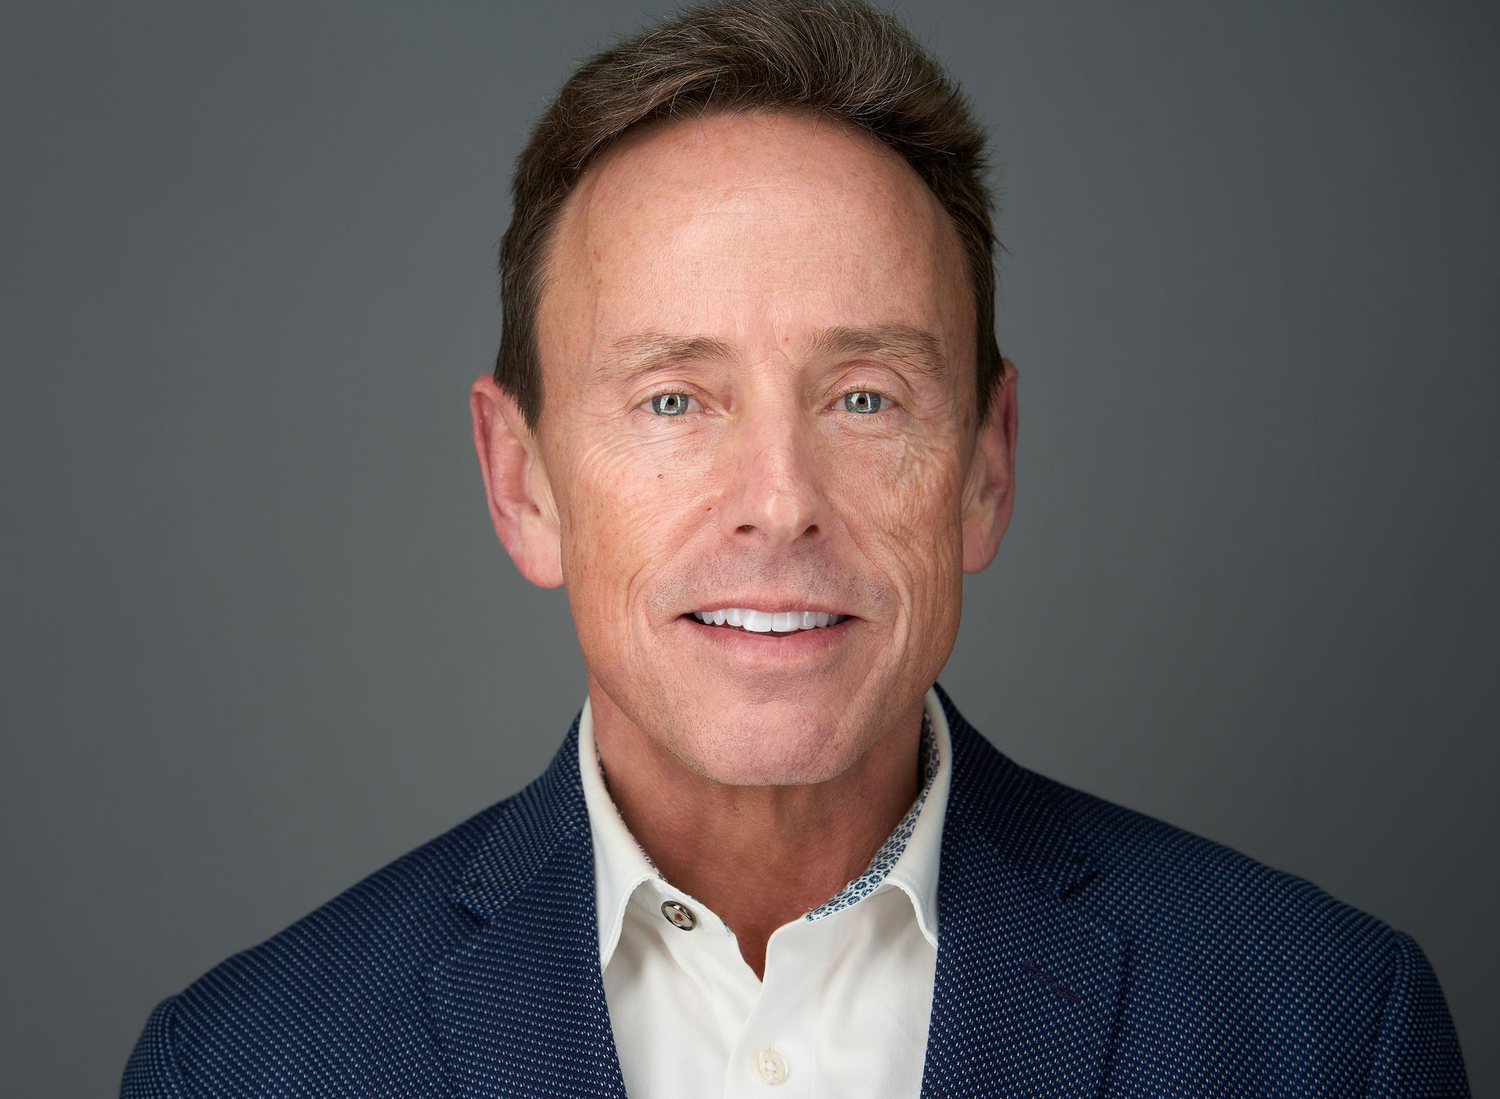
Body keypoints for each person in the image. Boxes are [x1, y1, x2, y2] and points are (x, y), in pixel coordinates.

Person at [122, 2, 1469, 1096]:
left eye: (864, 397)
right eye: (673, 400)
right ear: (523, 484)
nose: (779, 502)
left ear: (986, 468)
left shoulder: (1325, 1032)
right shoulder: (246, 1070)